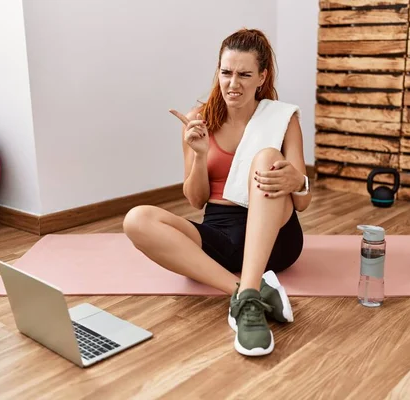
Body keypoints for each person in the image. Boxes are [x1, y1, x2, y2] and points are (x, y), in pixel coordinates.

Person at [123, 28, 312, 357]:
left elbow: (303, 201)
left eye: (244, 74)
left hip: (275, 234)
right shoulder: (198, 119)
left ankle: (248, 300)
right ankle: (247, 293)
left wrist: (297, 180)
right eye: (226, 72)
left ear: (262, 76)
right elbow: (196, 200)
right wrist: (198, 153)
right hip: (219, 234)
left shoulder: (283, 118)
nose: (233, 83)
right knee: (136, 219)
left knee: (267, 157)